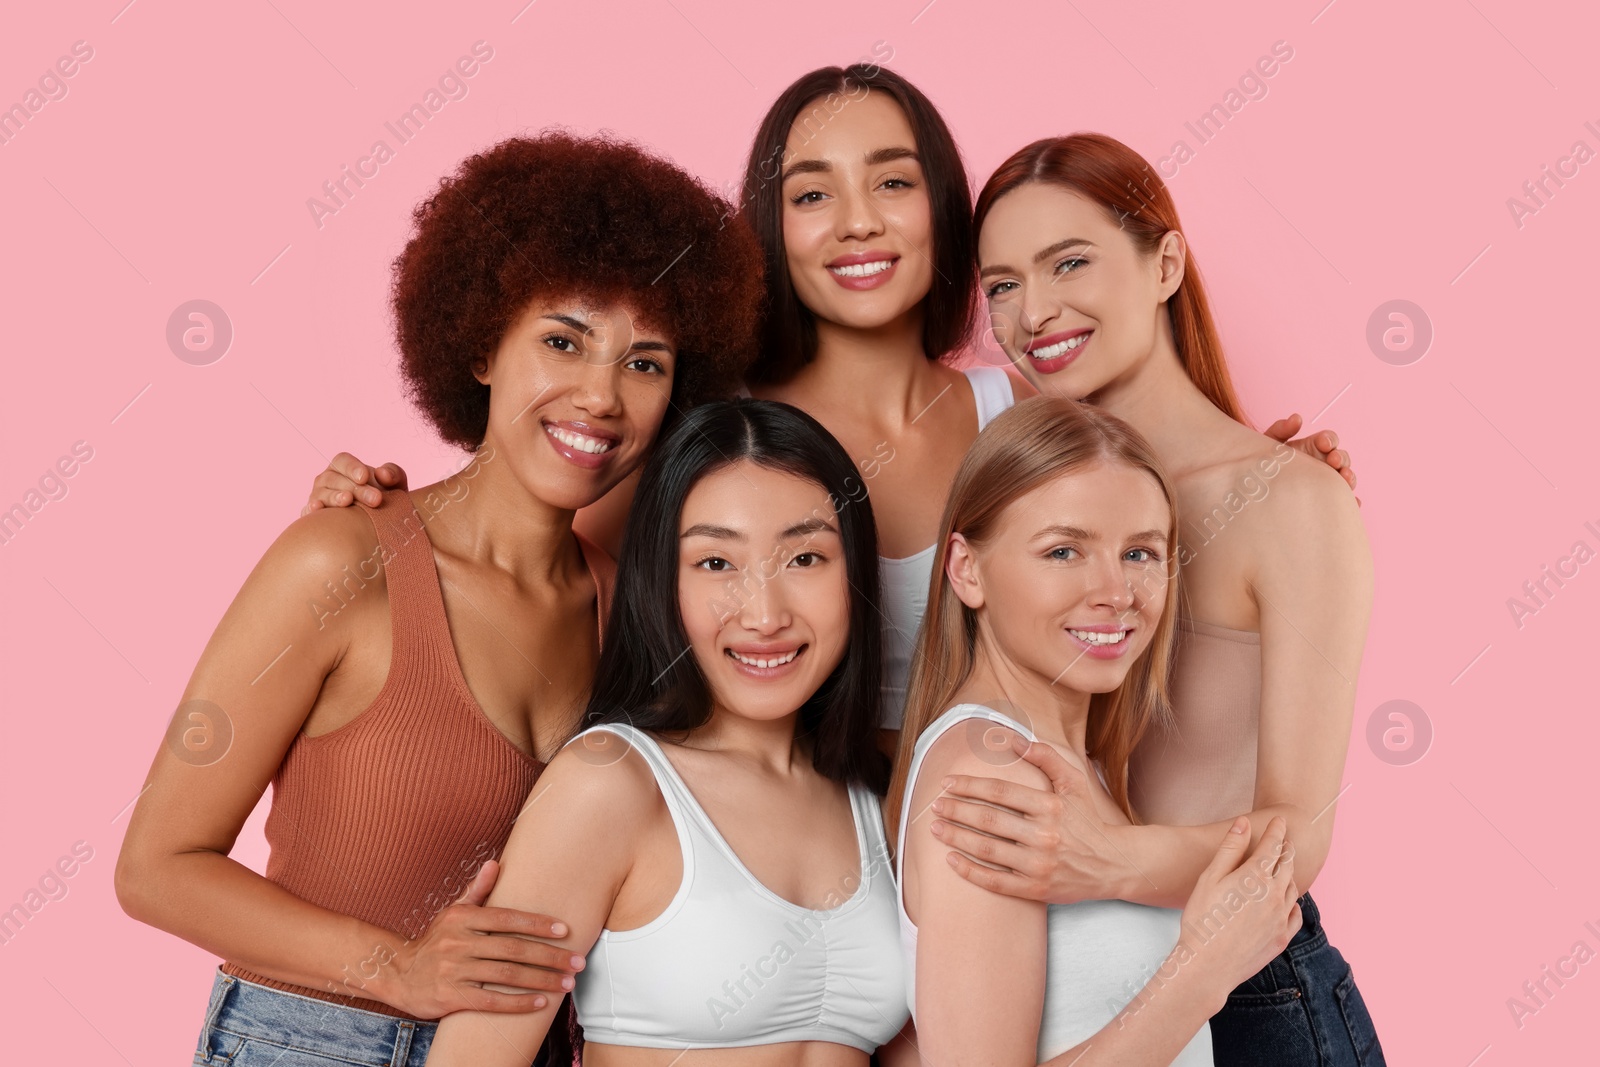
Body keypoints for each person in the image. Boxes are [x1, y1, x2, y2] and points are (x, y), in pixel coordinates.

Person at [301, 65, 1355, 756]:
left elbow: (1154, 528)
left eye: (890, 184)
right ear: (773, 227)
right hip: (793, 885)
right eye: (810, 194)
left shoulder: (1021, 418)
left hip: (991, 867)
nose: (856, 223)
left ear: (941, 214)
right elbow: (538, 539)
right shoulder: (715, 436)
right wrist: (391, 501)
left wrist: (1264, 466)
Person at [114, 133, 762, 1066]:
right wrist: (397, 968)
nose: (600, 395)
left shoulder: (635, 611)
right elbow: (155, 869)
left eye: (645, 363)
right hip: (313, 1041)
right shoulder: (341, 559)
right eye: (562, 341)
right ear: (481, 345)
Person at [926, 133, 1382, 1064]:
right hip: (1086, 984)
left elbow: (1299, 835)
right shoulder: (1022, 481)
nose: (1033, 309)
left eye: (1071, 262)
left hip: (1254, 989)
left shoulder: (1290, 498)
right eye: (1002, 283)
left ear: (1165, 262)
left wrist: (1108, 860)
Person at [424, 400, 912, 1066]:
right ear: (664, 583)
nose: (765, 614)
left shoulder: (877, 792)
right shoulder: (610, 783)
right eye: (717, 563)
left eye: (804, 557)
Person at [893, 395, 1301, 1064]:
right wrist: (1200, 974)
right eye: (1063, 550)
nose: (1117, 591)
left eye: (1141, 552)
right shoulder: (989, 773)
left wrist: (1283, 486)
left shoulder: (1081, 768)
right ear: (967, 569)